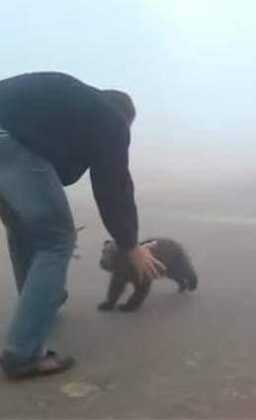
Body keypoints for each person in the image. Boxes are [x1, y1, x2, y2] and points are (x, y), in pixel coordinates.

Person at [0, 72, 165, 379]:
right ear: (125, 119)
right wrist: (130, 244)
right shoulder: (111, 119)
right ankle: (23, 354)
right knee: (56, 240)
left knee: (24, 228)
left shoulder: (70, 107)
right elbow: (113, 185)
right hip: (7, 140)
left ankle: (38, 306)